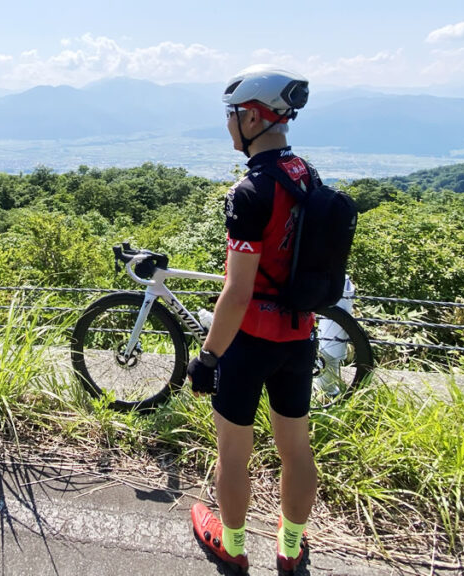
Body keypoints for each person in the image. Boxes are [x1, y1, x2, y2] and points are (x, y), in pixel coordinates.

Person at [188, 65, 317, 576]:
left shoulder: (249, 192)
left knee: (233, 451)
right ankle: (290, 547)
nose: (227, 125)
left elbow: (237, 292)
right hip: (299, 335)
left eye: (232, 115)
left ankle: (235, 546)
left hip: (248, 343)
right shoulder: (306, 174)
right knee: (296, 449)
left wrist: (208, 357)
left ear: (256, 118)